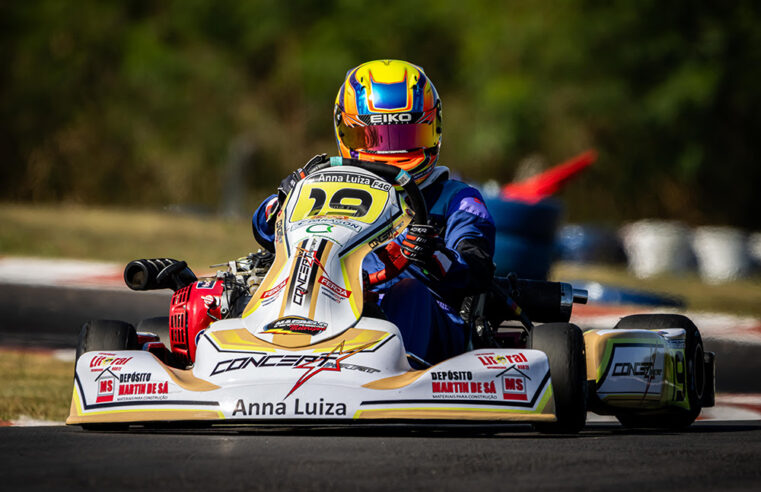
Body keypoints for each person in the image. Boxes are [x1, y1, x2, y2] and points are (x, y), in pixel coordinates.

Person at [252, 59, 495, 364]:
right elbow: (263, 229)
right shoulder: (326, 186)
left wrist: (431, 253)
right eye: (376, 138)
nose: (391, 153)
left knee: (409, 292)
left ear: (434, 130)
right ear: (346, 131)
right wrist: (287, 197)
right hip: (329, 303)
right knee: (234, 290)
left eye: (407, 138)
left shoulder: (457, 199)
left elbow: (477, 270)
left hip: (428, 323)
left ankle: (401, 374)